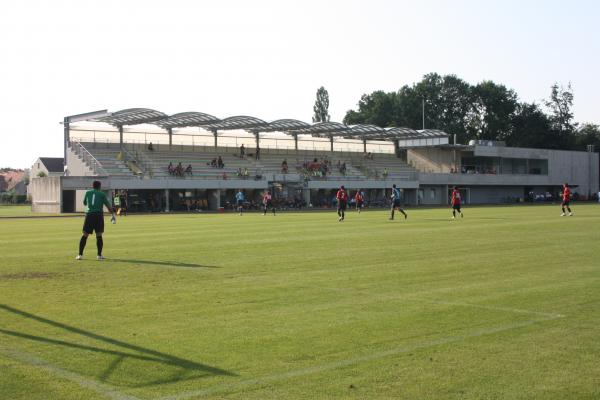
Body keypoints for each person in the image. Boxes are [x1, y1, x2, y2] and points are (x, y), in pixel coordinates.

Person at [76, 180, 116, 260]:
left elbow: (84, 203)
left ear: (92, 186)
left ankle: (80, 255)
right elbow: (108, 206)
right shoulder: (102, 194)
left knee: (85, 235)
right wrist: (113, 214)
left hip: (89, 215)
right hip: (98, 216)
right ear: (99, 186)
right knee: (99, 235)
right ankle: (99, 255)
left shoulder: (88, 193)